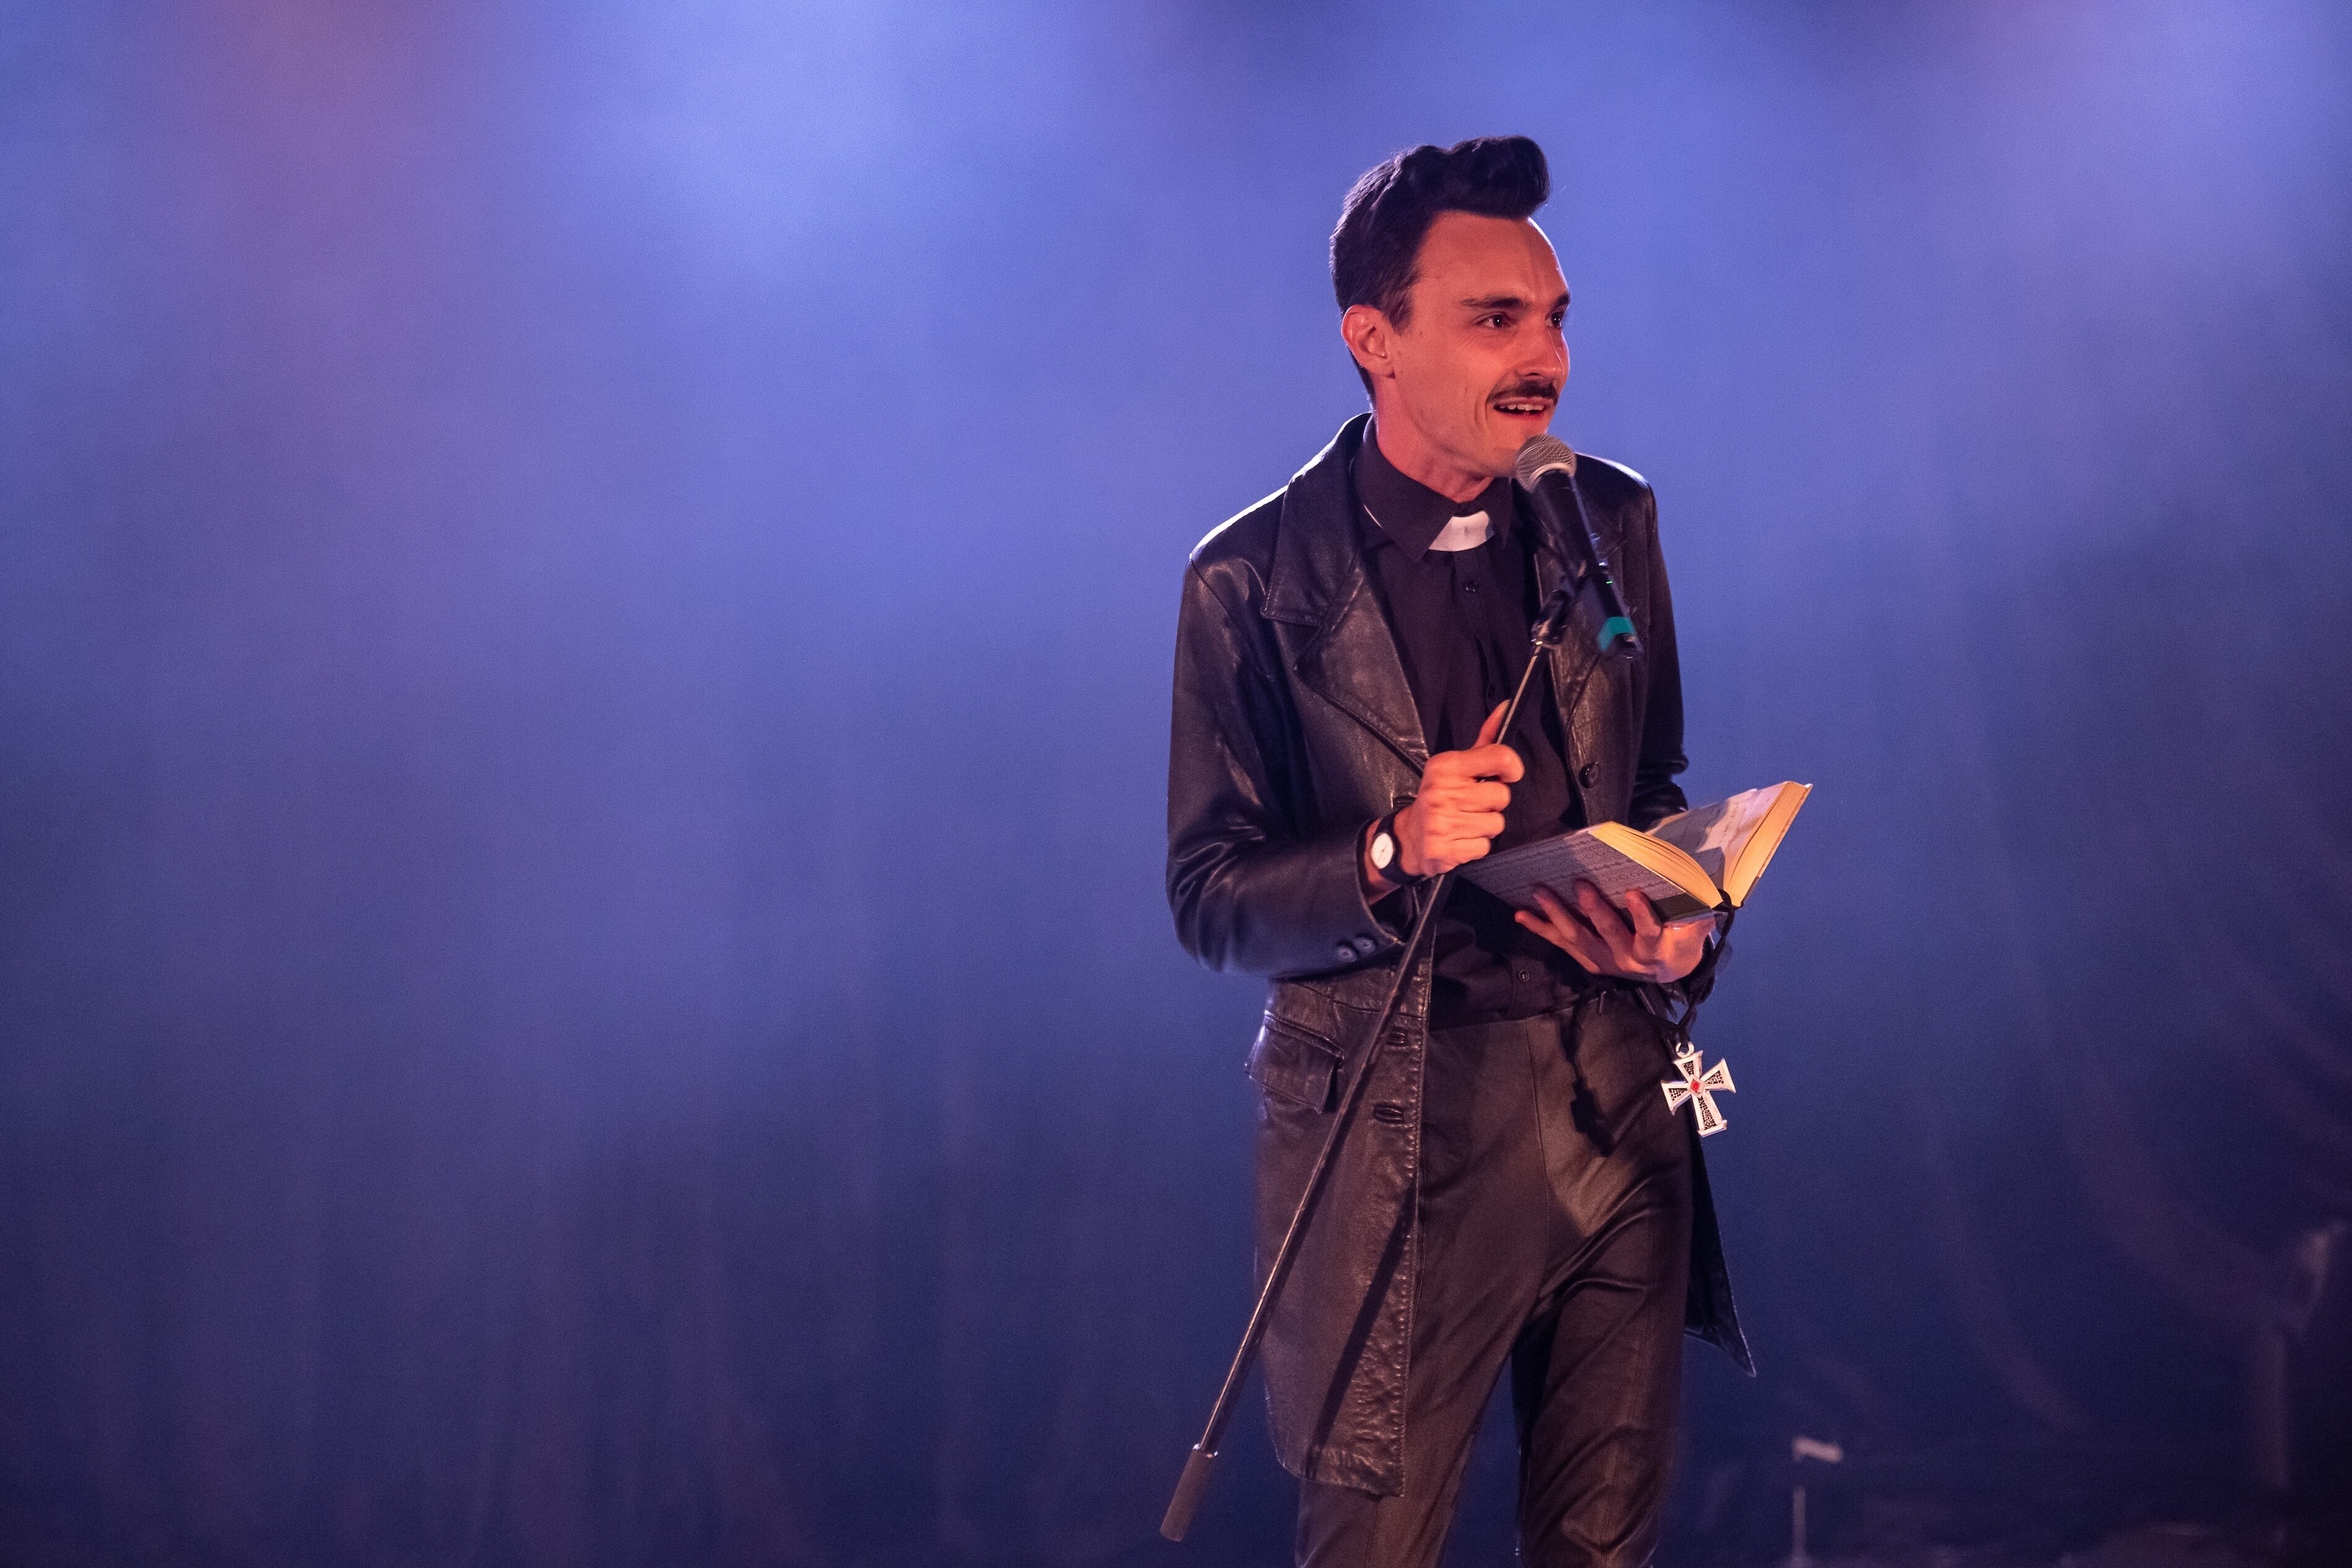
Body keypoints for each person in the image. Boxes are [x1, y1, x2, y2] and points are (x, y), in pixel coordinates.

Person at [1165, 136, 1750, 1568]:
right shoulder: (1250, 579)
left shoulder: (1606, 518)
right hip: (1396, 1123)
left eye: (1552, 317)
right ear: (1373, 338)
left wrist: (1681, 925)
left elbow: (1652, 781)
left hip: (1615, 1087)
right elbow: (1211, 896)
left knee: (1602, 1546)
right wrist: (1389, 847)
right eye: (1496, 318)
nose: (1543, 355)